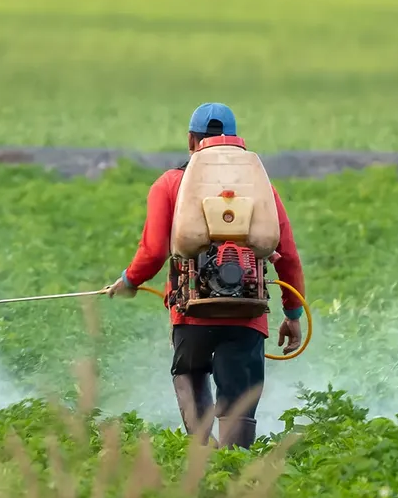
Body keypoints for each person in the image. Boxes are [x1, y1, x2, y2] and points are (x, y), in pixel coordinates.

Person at [105, 102, 306, 450]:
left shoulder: (170, 184)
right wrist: (292, 315)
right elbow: (286, 254)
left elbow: (153, 252)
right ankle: (235, 467)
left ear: (191, 141)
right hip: (247, 313)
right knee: (239, 398)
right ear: (235, 142)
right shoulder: (261, 189)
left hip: (191, 311)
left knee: (189, 374)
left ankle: (204, 455)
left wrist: (129, 281)